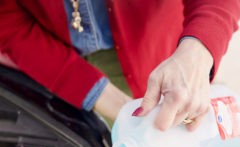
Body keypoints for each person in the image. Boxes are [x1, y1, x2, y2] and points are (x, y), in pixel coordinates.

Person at [0, 0, 239, 131]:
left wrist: (196, 53)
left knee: (169, 133)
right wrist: (105, 98)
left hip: (155, 46)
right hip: (47, 54)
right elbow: (8, 22)